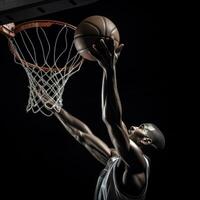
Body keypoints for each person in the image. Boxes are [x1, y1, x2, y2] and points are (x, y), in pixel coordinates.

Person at [41, 38, 165, 200]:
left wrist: (109, 69)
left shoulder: (138, 166)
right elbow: (81, 135)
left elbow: (113, 121)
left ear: (147, 140)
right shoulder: (118, 159)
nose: (134, 127)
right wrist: (54, 107)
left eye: (142, 127)